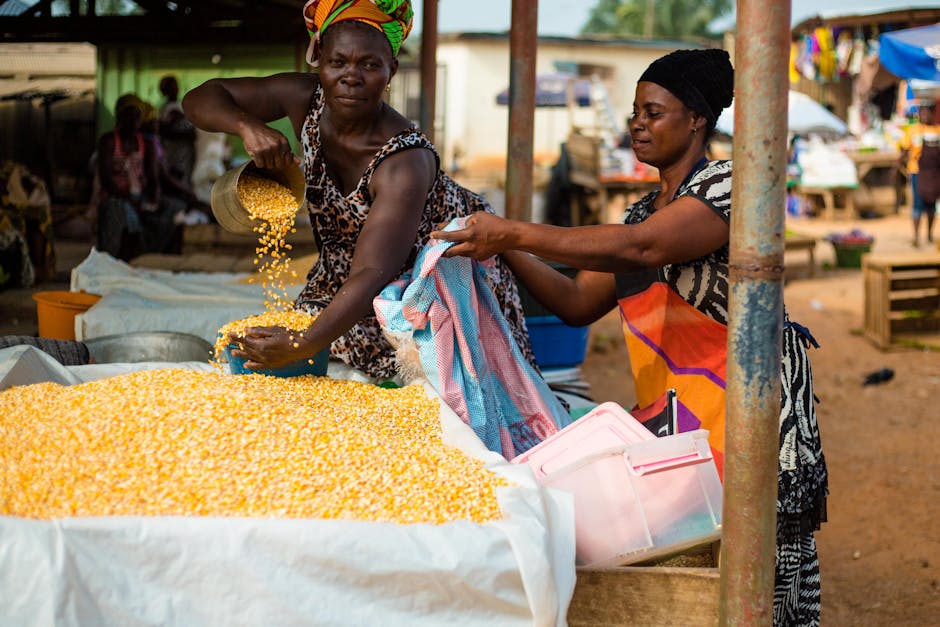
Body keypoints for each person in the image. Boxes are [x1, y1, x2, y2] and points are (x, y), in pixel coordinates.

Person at [432, 49, 829, 626]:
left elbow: (644, 249)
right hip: (681, 431)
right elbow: (575, 303)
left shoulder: (729, 187)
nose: (637, 124)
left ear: (696, 118)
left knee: (757, 588)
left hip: (747, 421)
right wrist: (503, 247)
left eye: (653, 111)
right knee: (690, 588)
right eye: (635, 111)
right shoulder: (643, 211)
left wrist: (515, 229)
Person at [181, 0, 536, 381]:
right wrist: (245, 125)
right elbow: (199, 98)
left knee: (419, 373)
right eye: (338, 63)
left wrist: (304, 342)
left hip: (428, 288)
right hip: (351, 278)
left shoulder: (404, 161)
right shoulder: (305, 98)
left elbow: (372, 270)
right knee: (298, 341)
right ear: (319, 60)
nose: (351, 76)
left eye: (369, 65)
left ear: (391, 70)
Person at [94, 93, 160, 261]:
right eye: (128, 116)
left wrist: (153, 198)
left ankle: (146, 259)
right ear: (119, 117)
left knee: (167, 213)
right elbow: (106, 180)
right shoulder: (108, 141)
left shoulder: (147, 144)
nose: (132, 122)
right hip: (114, 196)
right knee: (117, 210)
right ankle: (109, 261)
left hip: (138, 197)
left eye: (136, 117)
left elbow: (153, 178)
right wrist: (130, 200)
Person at [899, 101, 939, 246]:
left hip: (934, 174)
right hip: (916, 172)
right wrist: (896, 167)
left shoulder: (937, 131)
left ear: (933, 114)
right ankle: (916, 237)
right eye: (921, 112)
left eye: (926, 112)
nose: (924, 115)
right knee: (917, 204)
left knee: (931, 206)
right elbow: (903, 150)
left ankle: (929, 235)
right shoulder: (913, 131)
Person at [158, 75, 197, 186]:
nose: (175, 89)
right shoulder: (165, 109)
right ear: (164, 90)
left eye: (175, 86)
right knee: (178, 178)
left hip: (186, 152)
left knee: (187, 178)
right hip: (174, 153)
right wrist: (185, 136)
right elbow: (163, 132)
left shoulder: (181, 104)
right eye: (171, 87)